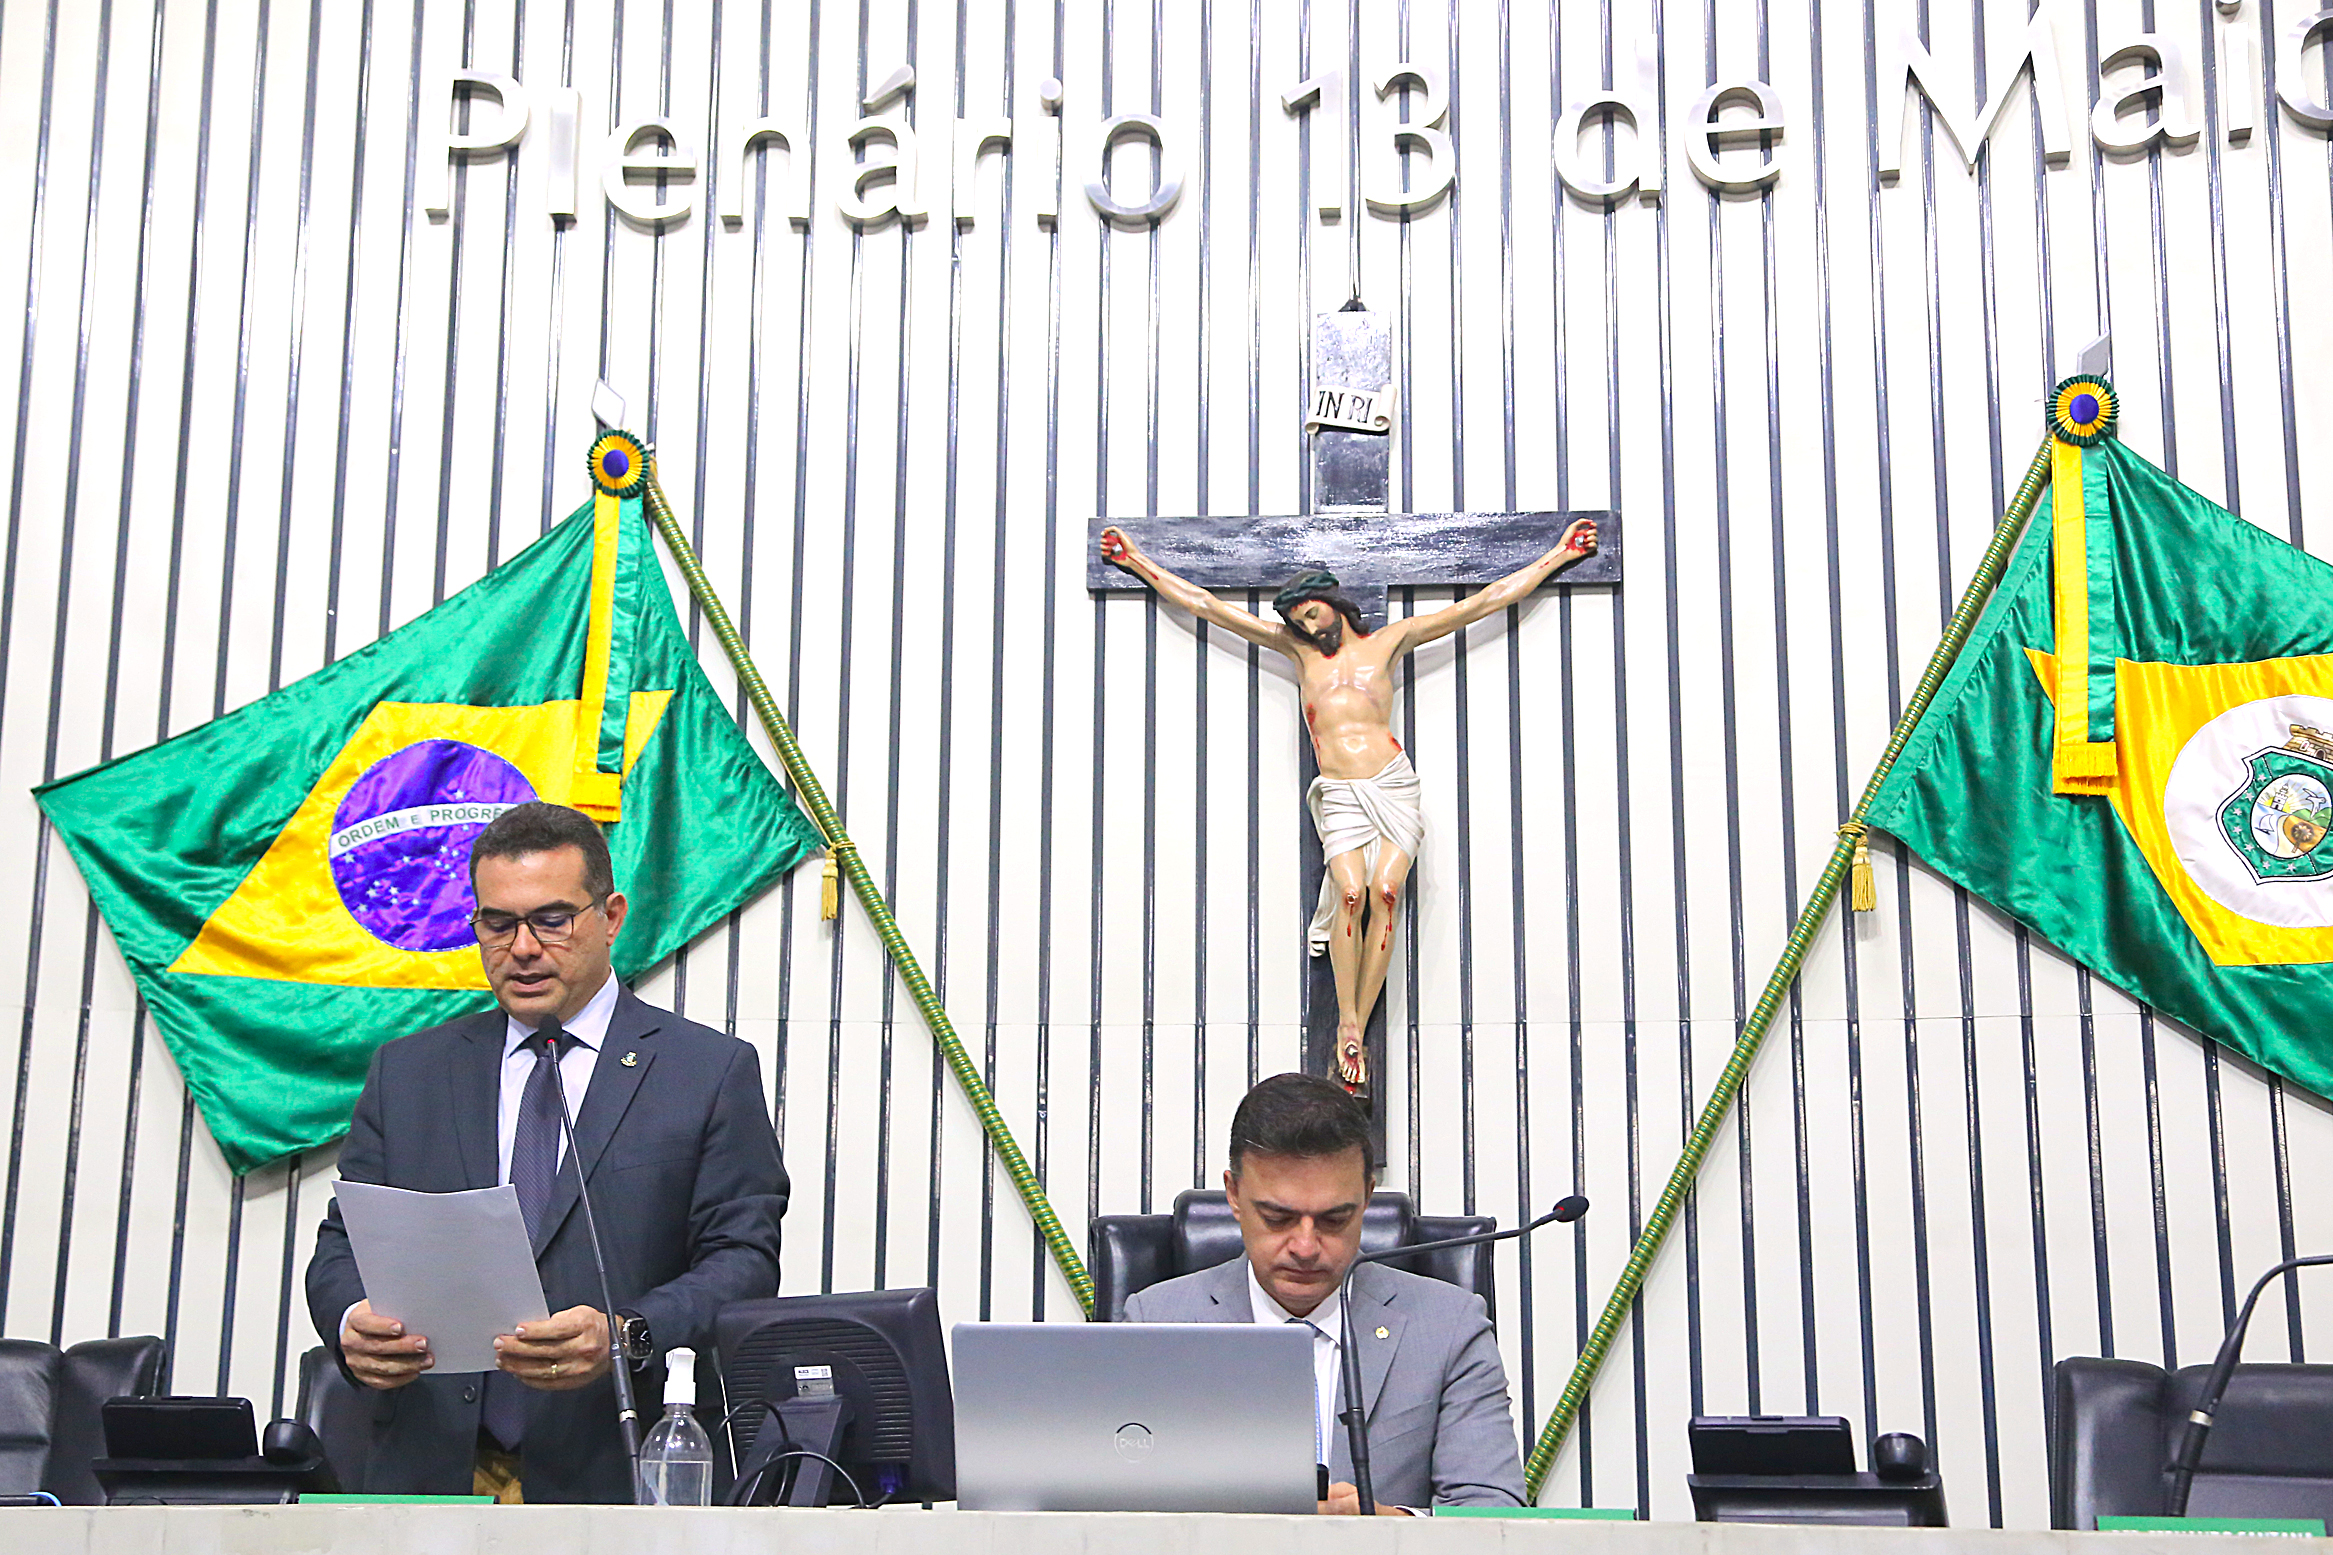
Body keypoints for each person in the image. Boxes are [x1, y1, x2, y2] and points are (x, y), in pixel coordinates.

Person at [305, 801, 788, 1503]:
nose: (523, 947)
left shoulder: (705, 1072)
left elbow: (743, 1260)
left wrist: (628, 1334)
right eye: (498, 923)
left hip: (613, 1471)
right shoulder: (409, 1072)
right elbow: (343, 1244)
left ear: (611, 916)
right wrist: (353, 1320)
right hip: (431, 1472)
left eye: (552, 919)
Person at [1098, 521, 1597, 1093]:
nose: (1309, 628)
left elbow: (1483, 603)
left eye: (1313, 615)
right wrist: (1136, 562)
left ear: (1334, 603)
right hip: (1338, 791)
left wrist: (1558, 556)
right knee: (1351, 893)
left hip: (1390, 783)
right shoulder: (1296, 651)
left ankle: (1356, 1024)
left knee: (1386, 893)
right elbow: (1207, 606)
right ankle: (1348, 1023)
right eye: (1299, 622)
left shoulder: (1391, 641)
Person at [1122, 1072, 1526, 1513]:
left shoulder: (1449, 1327)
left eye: (1334, 1220)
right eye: (1277, 1218)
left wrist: (1387, 1523)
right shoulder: (1154, 1322)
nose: (1305, 1247)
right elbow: (1114, 1506)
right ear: (1234, 1194)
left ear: (1367, 1197)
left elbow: (1493, 1513)